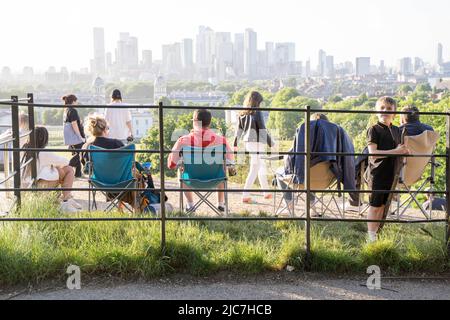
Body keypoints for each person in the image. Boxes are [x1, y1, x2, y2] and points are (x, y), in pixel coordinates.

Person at [168, 109, 234, 213]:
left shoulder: (183, 140)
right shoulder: (221, 141)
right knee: (223, 168)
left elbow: (172, 164)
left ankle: (190, 205)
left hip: (191, 180)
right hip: (215, 180)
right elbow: (231, 163)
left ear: (195, 122)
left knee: (181, 170)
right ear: (209, 122)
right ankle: (221, 204)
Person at [366, 97, 410, 243]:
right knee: (375, 205)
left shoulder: (397, 130)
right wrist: (396, 151)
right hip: (377, 172)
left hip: (391, 173)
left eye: (389, 109)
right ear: (377, 111)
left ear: (394, 114)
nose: (385, 111)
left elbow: (401, 150)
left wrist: (404, 151)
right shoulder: (374, 129)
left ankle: (377, 233)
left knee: (384, 205)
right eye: (382, 108)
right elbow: (373, 153)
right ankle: (371, 236)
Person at [22, 126, 81, 213]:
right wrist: (55, 165)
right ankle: (66, 201)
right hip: (39, 186)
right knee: (69, 169)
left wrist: (54, 165)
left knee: (58, 169)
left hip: (27, 187)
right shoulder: (43, 152)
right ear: (45, 139)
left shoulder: (25, 149)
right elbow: (66, 161)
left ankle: (67, 200)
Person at [233, 91, 274, 204]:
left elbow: (238, 131)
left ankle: (266, 192)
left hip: (248, 143)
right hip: (257, 142)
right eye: (260, 102)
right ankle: (245, 194)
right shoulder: (257, 112)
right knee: (255, 168)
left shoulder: (242, 113)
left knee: (261, 166)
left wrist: (235, 144)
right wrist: (271, 143)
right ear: (257, 102)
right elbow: (262, 129)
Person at [63, 94, 85, 178]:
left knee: (77, 152)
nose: (77, 102)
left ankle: (78, 173)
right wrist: (80, 136)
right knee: (80, 153)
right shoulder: (73, 110)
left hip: (70, 137)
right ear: (73, 101)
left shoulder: (66, 110)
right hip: (75, 137)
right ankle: (66, 165)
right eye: (76, 101)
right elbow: (74, 124)